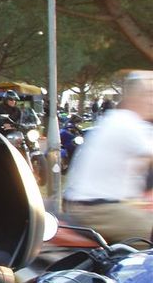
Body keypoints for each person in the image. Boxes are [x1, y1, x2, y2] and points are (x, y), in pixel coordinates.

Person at [63, 70, 153, 244]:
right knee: (148, 235)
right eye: (149, 94)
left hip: (99, 204)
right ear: (137, 97)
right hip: (96, 208)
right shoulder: (127, 123)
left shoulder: (123, 120)